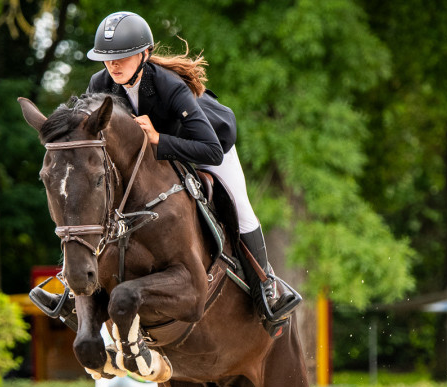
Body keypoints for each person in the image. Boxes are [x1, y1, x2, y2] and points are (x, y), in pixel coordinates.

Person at [35, 11, 300, 334]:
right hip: (154, 156)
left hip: (206, 144)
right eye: (107, 59)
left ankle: (266, 287)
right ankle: (71, 283)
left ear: (144, 55)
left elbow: (210, 149)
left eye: (122, 57)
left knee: (241, 208)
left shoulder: (168, 86)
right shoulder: (100, 84)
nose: (113, 66)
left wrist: (160, 138)